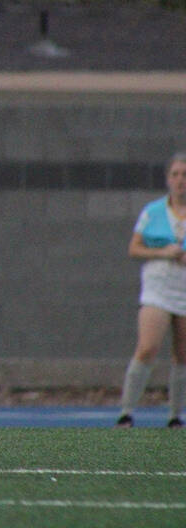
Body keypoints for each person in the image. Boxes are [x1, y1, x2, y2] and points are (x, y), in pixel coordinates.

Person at [116, 152, 186, 428]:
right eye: (176, 175)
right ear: (168, 179)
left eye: (185, 175)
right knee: (147, 347)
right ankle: (126, 412)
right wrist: (163, 252)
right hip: (158, 286)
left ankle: (175, 415)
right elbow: (134, 248)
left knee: (182, 353)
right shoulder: (152, 212)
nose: (180, 180)